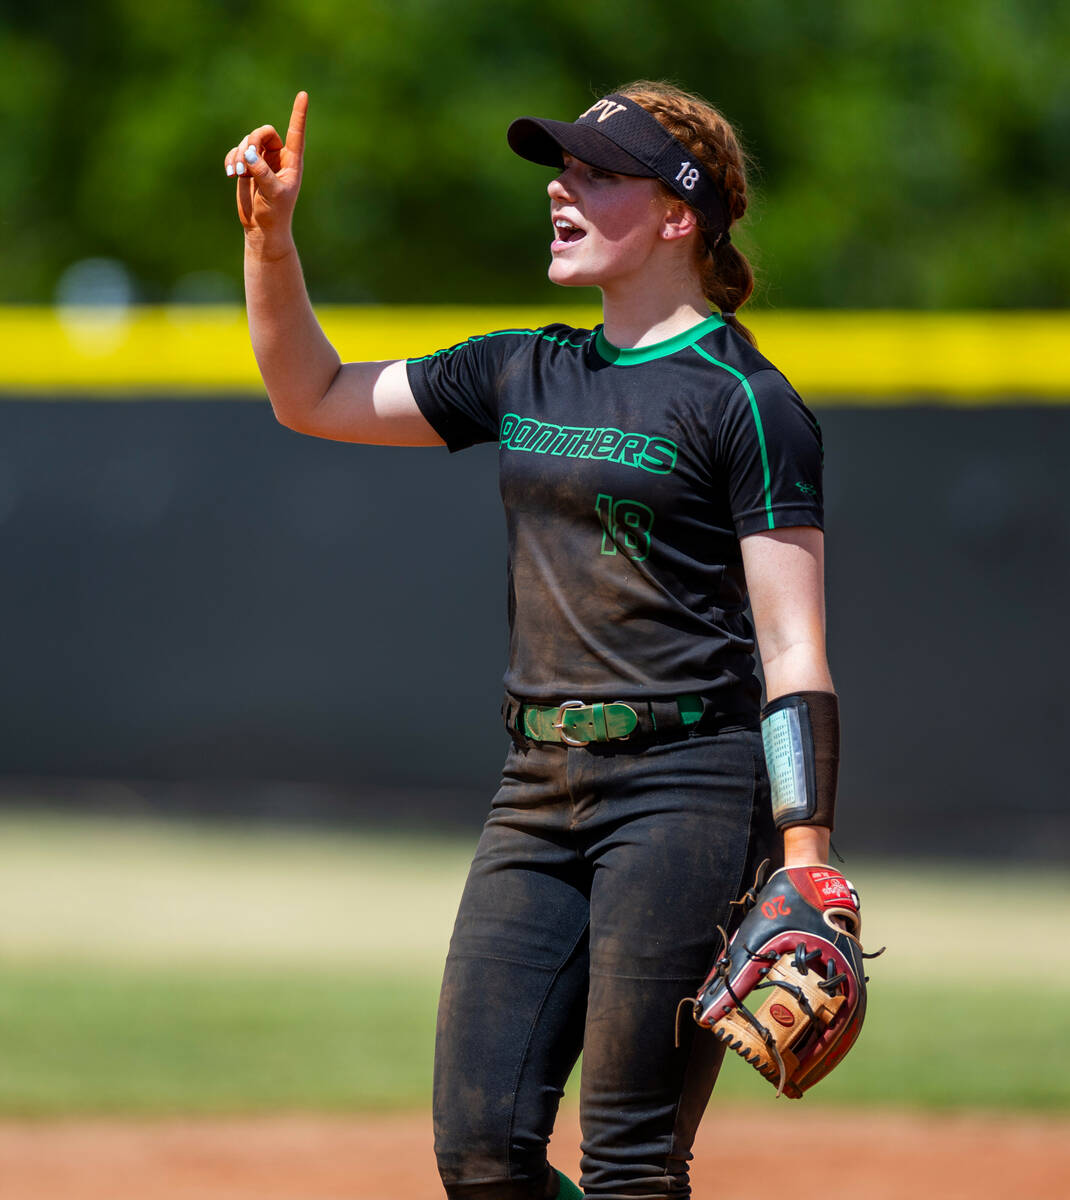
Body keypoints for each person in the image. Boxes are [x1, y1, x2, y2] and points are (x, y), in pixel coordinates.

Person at [224, 81, 838, 1200]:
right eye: (564, 168)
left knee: (629, 1160)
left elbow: (792, 650)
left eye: (598, 172)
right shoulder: (521, 368)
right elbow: (308, 392)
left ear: (676, 215)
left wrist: (804, 859)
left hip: (688, 789)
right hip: (536, 785)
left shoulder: (744, 400)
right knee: (478, 1151)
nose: (561, 187)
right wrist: (271, 240)